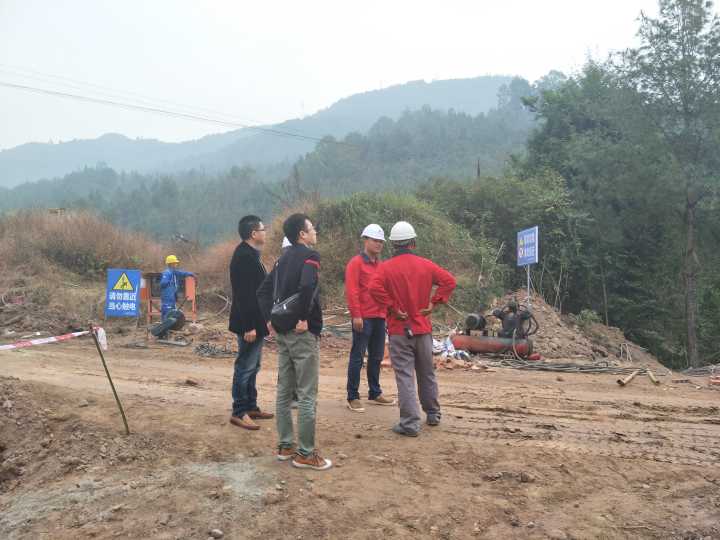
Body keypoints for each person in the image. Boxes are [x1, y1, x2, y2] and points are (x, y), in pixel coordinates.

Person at [257, 213, 332, 471]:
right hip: (302, 334)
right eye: (312, 228)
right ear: (302, 234)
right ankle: (306, 454)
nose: (315, 232)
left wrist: (269, 319)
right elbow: (308, 285)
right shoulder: (310, 256)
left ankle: (285, 446)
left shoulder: (282, 259)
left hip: (282, 332)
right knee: (307, 394)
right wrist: (303, 317)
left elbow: (262, 291)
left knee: (284, 391)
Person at [368, 221, 456, 437]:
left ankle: (409, 423)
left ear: (393, 244)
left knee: (405, 377)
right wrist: (434, 303)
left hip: (399, 330)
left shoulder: (385, 268)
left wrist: (392, 307)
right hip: (423, 330)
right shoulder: (426, 265)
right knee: (427, 373)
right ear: (413, 243)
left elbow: (373, 288)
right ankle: (433, 413)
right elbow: (449, 281)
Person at [228, 215, 274, 430]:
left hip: (257, 320)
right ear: (254, 233)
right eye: (263, 229)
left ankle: (251, 406)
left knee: (253, 366)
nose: (265, 232)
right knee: (245, 366)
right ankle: (239, 411)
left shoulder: (251, 254)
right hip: (249, 322)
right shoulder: (244, 257)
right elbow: (244, 295)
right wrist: (249, 326)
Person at [345, 224, 395, 412]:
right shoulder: (356, 263)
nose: (378, 244)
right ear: (365, 240)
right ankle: (352, 396)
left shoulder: (382, 266)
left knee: (376, 356)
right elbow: (352, 291)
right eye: (375, 240)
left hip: (380, 317)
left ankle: (375, 392)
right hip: (363, 317)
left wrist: (389, 313)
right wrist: (356, 315)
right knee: (357, 357)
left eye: (381, 241)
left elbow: (385, 290)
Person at [156, 255, 195, 338]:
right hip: (167, 297)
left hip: (171, 297)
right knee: (167, 315)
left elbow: (181, 273)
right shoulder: (167, 272)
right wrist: (170, 284)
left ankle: (167, 332)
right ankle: (163, 333)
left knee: (171, 315)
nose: (176, 264)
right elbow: (162, 283)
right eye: (175, 263)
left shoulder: (173, 272)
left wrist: (190, 274)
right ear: (171, 264)